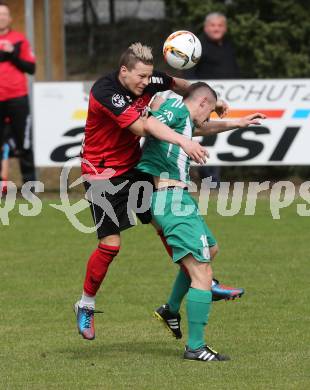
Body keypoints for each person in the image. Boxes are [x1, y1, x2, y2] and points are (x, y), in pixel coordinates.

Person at [74, 42, 240, 341]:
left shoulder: (150, 79)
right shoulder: (105, 91)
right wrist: (183, 141)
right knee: (111, 246)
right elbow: (142, 128)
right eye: (140, 77)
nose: (145, 83)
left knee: (165, 223)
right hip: (101, 173)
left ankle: (199, 281)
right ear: (124, 71)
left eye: (149, 77)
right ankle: (85, 304)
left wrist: (213, 102)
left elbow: (182, 84)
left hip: (133, 168)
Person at [137, 82, 265, 361]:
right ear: (204, 102)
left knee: (211, 249)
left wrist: (238, 123)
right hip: (169, 199)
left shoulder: (185, 120)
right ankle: (196, 347)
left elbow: (202, 128)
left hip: (179, 199)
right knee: (202, 273)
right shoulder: (175, 109)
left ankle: (170, 309)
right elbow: (149, 125)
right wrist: (184, 141)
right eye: (208, 112)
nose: (207, 121)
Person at [185, 12, 240, 184]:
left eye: (220, 25)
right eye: (213, 25)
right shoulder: (197, 46)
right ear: (205, 27)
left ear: (225, 27)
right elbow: (189, 75)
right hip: (203, 103)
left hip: (227, 103)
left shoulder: (229, 46)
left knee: (222, 135)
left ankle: (214, 179)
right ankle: (209, 180)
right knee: (205, 137)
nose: (216, 29)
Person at [0, 1, 36, 185]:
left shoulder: (19, 40)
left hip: (17, 99)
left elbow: (31, 68)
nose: (1, 17)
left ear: (10, 18)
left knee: (24, 144)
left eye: (4, 14)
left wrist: (13, 53)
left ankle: (30, 186)